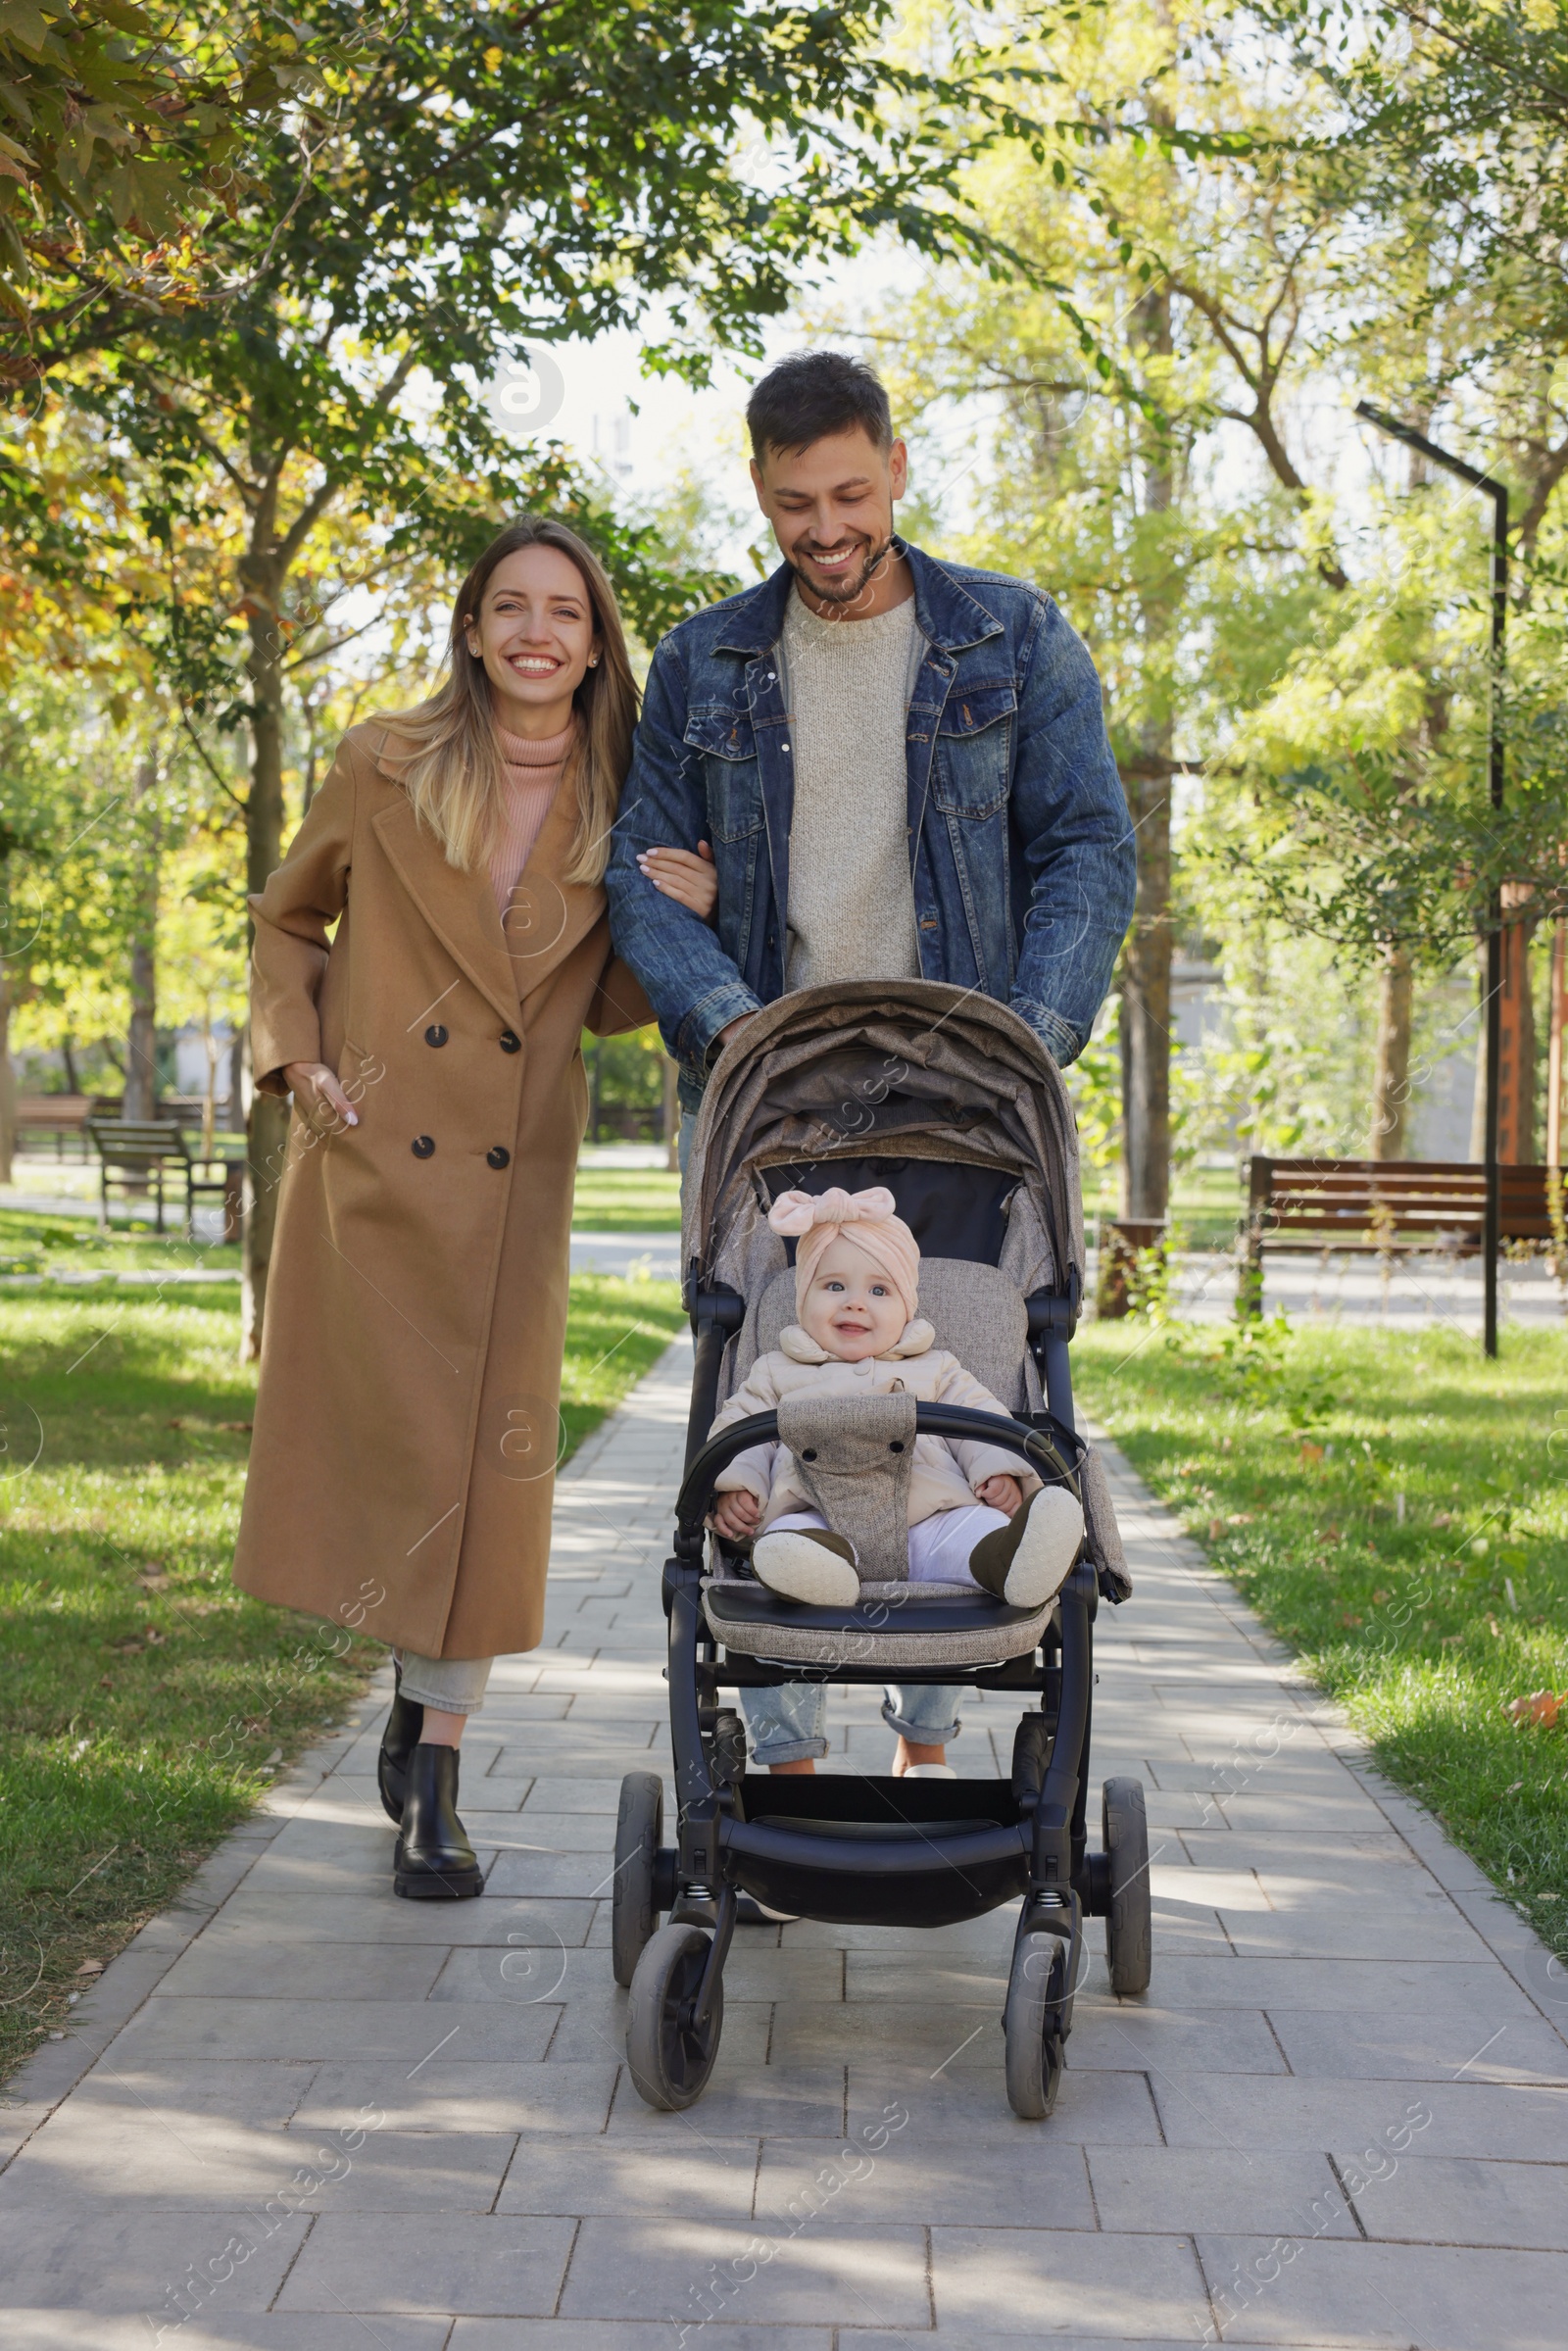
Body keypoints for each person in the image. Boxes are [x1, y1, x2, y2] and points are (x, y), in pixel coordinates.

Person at [606, 349, 1135, 1779]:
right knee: (770, 1400)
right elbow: (638, 875)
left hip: (966, 1082)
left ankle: (935, 1711)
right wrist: (737, 1022)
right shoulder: (705, 660)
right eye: (794, 506)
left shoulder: (1010, 639)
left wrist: (1024, 1032)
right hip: (779, 1083)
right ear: (759, 493)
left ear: (898, 465)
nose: (826, 529)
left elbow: (1086, 845)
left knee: (959, 1378)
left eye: (850, 493)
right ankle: (775, 1741)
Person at [233, 516, 653, 1900]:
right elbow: (288, 920)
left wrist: (669, 910)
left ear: (595, 645)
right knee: (400, 1467)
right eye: (512, 608)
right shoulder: (380, 759)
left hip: (512, 1189)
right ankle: (417, 1720)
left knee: (484, 1482)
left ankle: (439, 1774)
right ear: (472, 628)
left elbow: (609, 1005)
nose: (539, 633)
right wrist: (293, 1054)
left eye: (567, 614)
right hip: (374, 1161)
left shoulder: (631, 793)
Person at [707, 1188, 1085, 1645]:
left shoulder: (937, 1368)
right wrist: (737, 1487)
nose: (855, 1303)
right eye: (833, 1286)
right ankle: (814, 1573)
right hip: (818, 1515)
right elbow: (741, 1428)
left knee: (977, 1530)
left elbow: (982, 1417)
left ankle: (1010, 1560)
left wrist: (999, 1471)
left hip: (928, 1520)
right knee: (787, 1536)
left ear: (907, 1308)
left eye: (879, 1290)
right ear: (802, 1301)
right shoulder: (776, 1372)